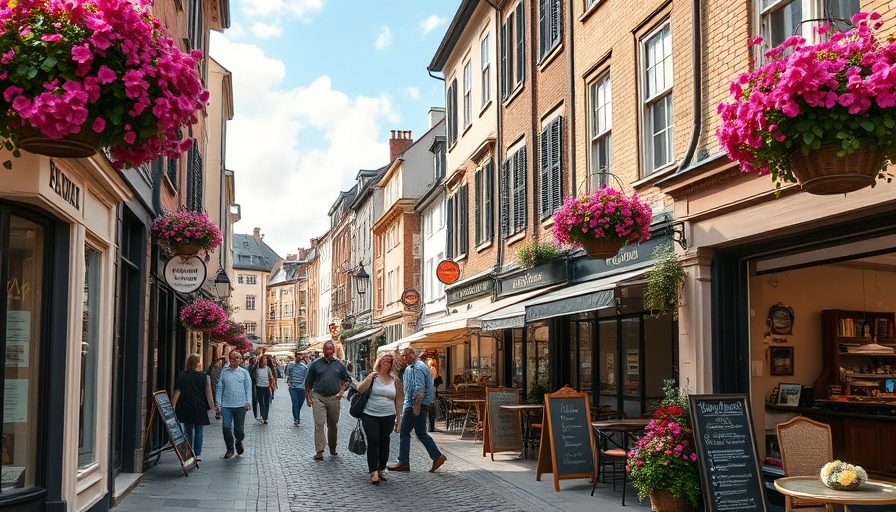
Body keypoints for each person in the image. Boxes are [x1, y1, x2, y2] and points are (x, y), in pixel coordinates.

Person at [388, 348, 446, 473]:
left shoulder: (415, 368)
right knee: (420, 433)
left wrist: (416, 405)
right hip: (419, 404)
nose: (402, 358)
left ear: (412, 355)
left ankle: (404, 462)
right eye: (401, 356)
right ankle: (437, 456)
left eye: (404, 355)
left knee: (404, 432)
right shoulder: (420, 366)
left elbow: (418, 388)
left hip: (413, 405)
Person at [356, 353, 402, 485]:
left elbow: (398, 400)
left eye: (388, 362)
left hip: (388, 415)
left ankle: (381, 468)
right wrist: (368, 378)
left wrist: (398, 417)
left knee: (384, 442)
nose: (385, 364)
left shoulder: (395, 380)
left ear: (391, 364)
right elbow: (359, 389)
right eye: (382, 361)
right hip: (370, 414)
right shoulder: (373, 376)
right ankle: (373, 471)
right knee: (374, 440)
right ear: (379, 362)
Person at [304, 341, 352, 461]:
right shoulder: (315, 364)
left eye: (331, 350)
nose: (328, 352)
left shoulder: (339, 365)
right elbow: (308, 383)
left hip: (334, 398)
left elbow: (348, 380)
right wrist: (308, 398)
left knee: (333, 424)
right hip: (318, 396)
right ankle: (319, 451)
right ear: (323, 350)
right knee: (319, 423)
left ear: (334, 351)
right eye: (326, 350)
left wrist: (342, 391)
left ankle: (332, 447)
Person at [172, 354, 214, 461]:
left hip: (186, 405)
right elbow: (207, 392)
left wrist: (173, 405)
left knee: (188, 430)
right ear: (197, 363)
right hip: (199, 406)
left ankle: (189, 452)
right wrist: (212, 406)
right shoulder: (202, 376)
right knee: (199, 430)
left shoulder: (182, 376)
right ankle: (198, 454)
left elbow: (178, 391)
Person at [215, 351, 252, 459]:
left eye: (238, 358)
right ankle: (230, 448)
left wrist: (248, 402)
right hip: (226, 405)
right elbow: (220, 387)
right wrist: (218, 402)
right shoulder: (224, 372)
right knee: (226, 427)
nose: (236, 360)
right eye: (234, 358)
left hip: (240, 405)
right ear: (230, 359)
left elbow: (248, 388)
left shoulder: (244, 373)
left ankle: (238, 441)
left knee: (239, 430)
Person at [285, 353, 309, 426]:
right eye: (298, 356)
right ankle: (296, 418)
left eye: (300, 356)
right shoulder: (291, 365)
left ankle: (296, 415)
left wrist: (305, 387)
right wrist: (289, 381)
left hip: (301, 388)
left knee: (299, 404)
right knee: (295, 402)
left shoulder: (305, 367)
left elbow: (307, 378)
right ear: (295, 357)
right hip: (293, 388)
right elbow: (287, 374)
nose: (299, 357)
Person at [254, 355, 276, 424]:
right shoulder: (257, 369)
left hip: (266, 387)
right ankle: (263, 416)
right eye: (264, 361)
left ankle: (265, 417)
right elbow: (255, 377)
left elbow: (271, 377)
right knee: (261, 403)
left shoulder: (268, 369)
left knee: (267, 403)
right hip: (259, 387)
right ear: (260, 362)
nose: (265, 363)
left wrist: (271, 385)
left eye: (266, 361)